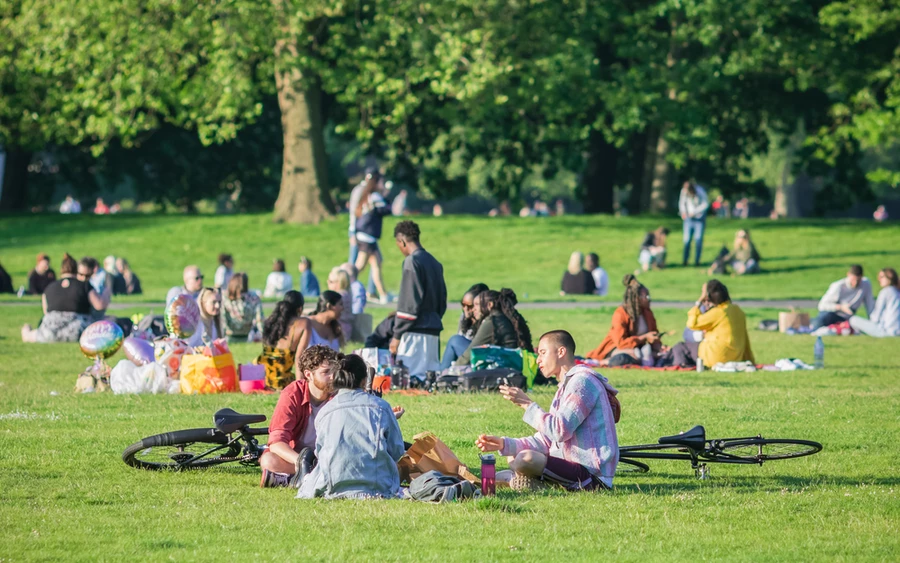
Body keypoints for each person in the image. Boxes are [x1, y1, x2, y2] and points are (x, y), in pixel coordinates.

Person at [475, 330, 619, 491]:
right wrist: (503, 443)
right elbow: (547, 440)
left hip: (592, 476)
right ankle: (526, 480)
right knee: (513, 453)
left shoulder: (582, 382)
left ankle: (523, 479)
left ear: (561, 352)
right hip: (569, 467)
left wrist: (527, 404)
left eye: (542, 353)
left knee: (525, 458)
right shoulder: (566, 386)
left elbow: (559, 430)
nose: (538, 360)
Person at [297, 353, 406, 499]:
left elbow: (320, 453)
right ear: (364, 380)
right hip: (378, 488)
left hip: (333, 485)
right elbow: (397, 451)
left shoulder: (325, 412)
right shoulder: (382, 407)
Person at [259, 345, 340, 487]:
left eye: (335, 371)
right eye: (326, 372)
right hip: (298, 456)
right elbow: (277, 443)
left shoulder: (341, 395)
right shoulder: (292, 394)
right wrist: (303, 463)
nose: (333, 377)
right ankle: (315, 476)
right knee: (268, 461)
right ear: (308, 374)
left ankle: (289, 480)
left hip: (330, 455)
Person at [390, 220, 448, 376]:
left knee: (411, 378)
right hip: (433, 329)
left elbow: (409, 303)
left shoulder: (411, 262)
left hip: (414, 331)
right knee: (429, 378)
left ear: (401, 241)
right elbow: (442, 301)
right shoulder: (435, 262)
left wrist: (396, 335)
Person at [21, 253, 111, 343]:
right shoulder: (84, 286)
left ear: (61, 271)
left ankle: (26, 331)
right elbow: (99, 305)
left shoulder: (49, 288)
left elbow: (46, 312)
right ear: (76, 271)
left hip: (50, 331)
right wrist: (107, 291)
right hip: (77, 331)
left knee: (32, 334)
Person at [670, 280, 754, 368]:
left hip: (715, 357)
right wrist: (750, 359)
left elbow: (692, 324)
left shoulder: (719, 312)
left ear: (708, 297)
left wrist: (699, 302)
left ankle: (681, 367)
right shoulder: (738, 311)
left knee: (680, 347)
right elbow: (745, 338)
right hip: (735, 357)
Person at [586, 275, 662, 366]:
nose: (650, 300)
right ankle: (602, 362)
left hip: (640, 348)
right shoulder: (620, 314)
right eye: (647, 297)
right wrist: (644, 337)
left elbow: (653, 334)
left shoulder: (647, 313)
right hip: (619, 349)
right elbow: (621, 343)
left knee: (657, 354)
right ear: (636, 298)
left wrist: (659, 346)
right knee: (630, 356)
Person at [354, 171, 393, 303]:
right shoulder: (375, 196)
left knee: (376, 263)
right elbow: (387, 210)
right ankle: (343, 284)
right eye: (381, 181)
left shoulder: (367, 194)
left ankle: (383, 294)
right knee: (360, 266)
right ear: (376, 183)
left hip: (365, 235)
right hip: (368, 236)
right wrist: (386, 196)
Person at [255, 291, 307, 390]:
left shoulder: (272, 321)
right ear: (300, 309)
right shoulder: (303, 324)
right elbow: (299, 357)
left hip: (262, 378)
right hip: (281, 382)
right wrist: (300, 386)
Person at [454, 290, 519, 367]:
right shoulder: (501, 317)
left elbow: (470, 353)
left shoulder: (493, 321)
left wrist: (450, 371)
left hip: (502, 368)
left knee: (455, 340)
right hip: (507, 363)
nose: (474, 309)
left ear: (489, 305)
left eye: (477, 305)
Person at [440, 283, 489, 369]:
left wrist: (457, 365)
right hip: (467, 357)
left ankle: (440, 376)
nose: (465, 309)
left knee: (454, 341)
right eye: (463, 305)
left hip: (482, 358)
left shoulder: (486, 321)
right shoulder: (464, 318)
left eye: (469, 306)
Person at [812, 265, 875, 330]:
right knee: (820, 322)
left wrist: (873, 322)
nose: (855, 283)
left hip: (847, 317)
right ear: (848, 275)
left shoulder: (866, 284)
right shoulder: (838, 286)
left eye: (858, 280)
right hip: (831, 314)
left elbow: (870, 305)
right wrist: (841, 307)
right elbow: (822, 305)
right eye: (853, 280)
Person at [849, 268, 900, 337]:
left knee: (853, 319)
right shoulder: (897, 292)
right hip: (897, 330)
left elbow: (875, 317)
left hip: (887, 331)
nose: (879, 279)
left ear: (889, 278)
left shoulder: (885, 292)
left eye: (881, 277)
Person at [222, 273, 264, 342]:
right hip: (229, 336)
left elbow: (259, 319)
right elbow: (259, 319)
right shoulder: (225, 298)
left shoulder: (224, 297)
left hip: (244, 335)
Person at [679, 181, 709, 266]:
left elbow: (705, 204)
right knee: (687, 240)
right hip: (688, 219)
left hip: (699, 218)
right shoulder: (684, 191)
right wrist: (683, 212)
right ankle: (685, 260)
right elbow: (682, 203)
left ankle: (697, 261)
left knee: (698, 239)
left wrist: (695, 212)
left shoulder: (700, 191)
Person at [326, 267, 354, 340]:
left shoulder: (339, 297)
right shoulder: (347, 294)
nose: (328, 283)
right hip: (346, 328)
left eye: (331, 281)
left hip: (339, 329)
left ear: (339, 282)